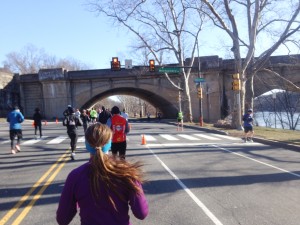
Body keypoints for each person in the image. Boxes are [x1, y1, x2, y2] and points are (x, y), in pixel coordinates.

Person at [56, 123, 148, 225]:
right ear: (109, 143)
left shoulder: (75, 176)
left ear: (87, 145)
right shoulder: (127, 172)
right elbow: (141, 213)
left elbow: (62, 219)